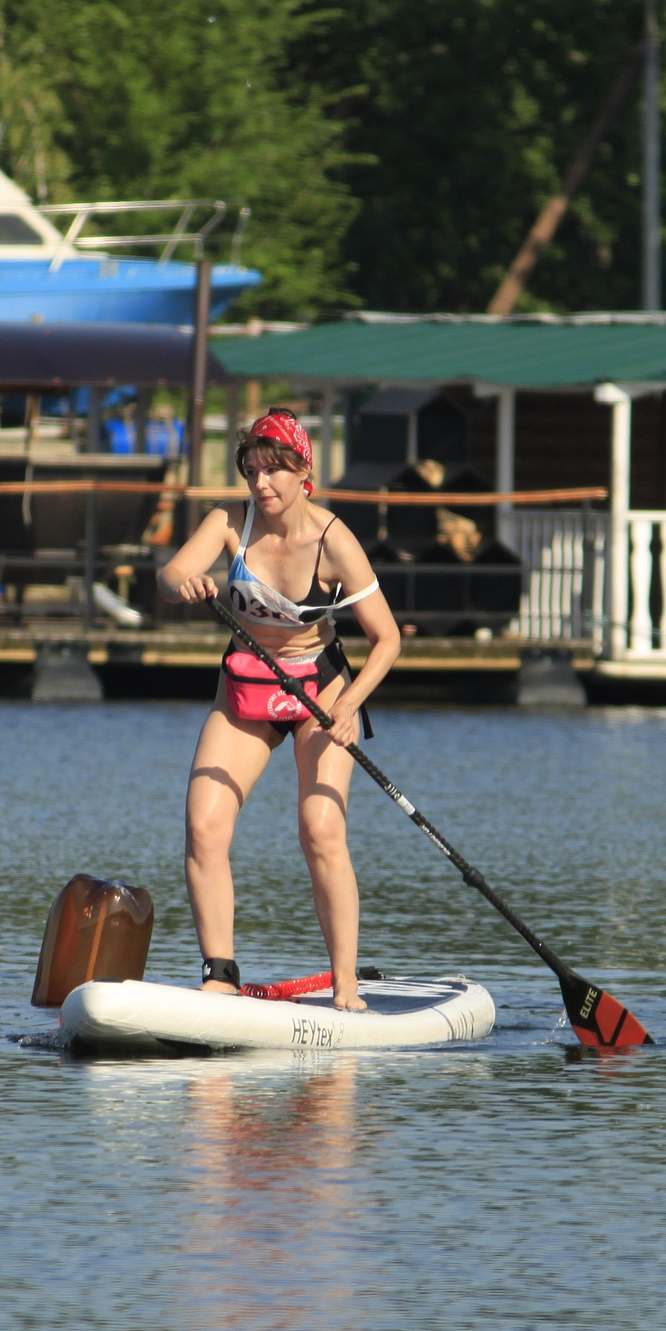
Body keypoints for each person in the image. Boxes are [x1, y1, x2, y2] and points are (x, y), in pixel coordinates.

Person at [157, 411, 401, 1012]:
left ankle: (345, 983)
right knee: (204, 824)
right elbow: (169, 572)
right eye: (253, 470)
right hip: (246, 687)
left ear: (303, 471)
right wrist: (184, 583)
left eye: (275, 470)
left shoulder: (333, 541)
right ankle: (220, 972)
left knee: (320, 829)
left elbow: (388, 639)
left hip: (319, 690)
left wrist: (349, 707)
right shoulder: (228, 523)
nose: (262, 483)